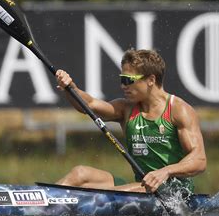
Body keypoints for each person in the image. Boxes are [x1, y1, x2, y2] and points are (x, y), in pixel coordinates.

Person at [55, 49, 206, 194]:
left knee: (108, 194)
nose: (123, 86)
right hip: (141, 186)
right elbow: (89, 105)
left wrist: (165, 172)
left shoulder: (179, 110)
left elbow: (199, 160)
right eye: (122, 79)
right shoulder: (126, 108)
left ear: (151, 80)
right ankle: (47, 199)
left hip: (172, 191)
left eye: (128, 80)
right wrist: (70, 87)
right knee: (80, 173)